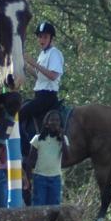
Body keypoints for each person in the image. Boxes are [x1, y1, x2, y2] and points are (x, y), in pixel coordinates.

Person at [19, 21, 64, 155]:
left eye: (45, 37)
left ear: (51, 38)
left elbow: (53, 76)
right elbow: (40, 76)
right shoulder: (43, 54)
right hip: (39, 95)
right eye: (40, 36)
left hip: (47, 97)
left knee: (19, 115)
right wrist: (26, 65)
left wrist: (34, 63)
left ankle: (25, 151)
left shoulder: (55, 53)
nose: (41, 40)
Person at [25, 110, 69, 208]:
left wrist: (62, 140)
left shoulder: (64, 139)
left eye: (57, 120)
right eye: (52, 120)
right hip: (39, 178)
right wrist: (28, 178)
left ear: (60, 123)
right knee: (38, 207)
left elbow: (67, 157)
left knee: (54, 208)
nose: (54, 122)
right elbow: (30, 160)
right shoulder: (38, 138)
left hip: (55, 178)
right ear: (47, 123)